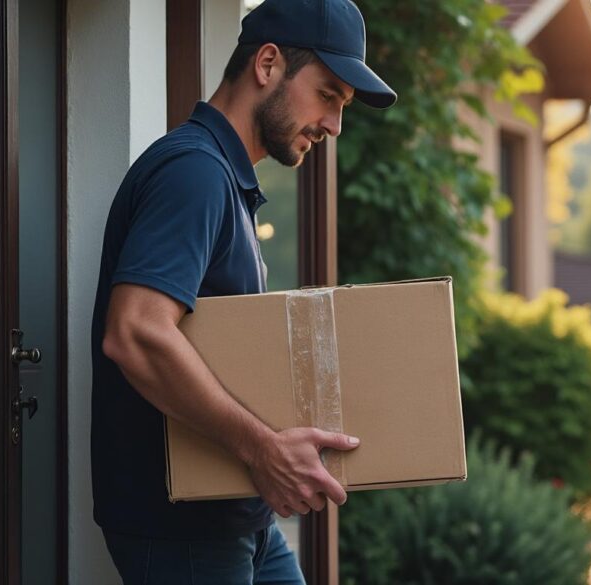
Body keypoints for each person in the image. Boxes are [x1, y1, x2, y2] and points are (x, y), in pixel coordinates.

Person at [89, 1, 396, 583]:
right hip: (183, 532)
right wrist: (263, 449)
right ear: (268, 64)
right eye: (328, 95)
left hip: (238, 516)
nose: (335, 125)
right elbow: (135, 332)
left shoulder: (223, 179)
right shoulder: (195, 172)